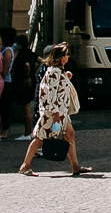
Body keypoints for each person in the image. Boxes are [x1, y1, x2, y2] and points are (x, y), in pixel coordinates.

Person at [18, 43, 88, 176]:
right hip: (54, 113)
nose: (68, 56)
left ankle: (75, 166)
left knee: (69, 135)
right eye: (66, 54)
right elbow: (51, 94)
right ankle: (25, 166)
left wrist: (65, 77)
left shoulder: (56, 71)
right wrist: (56, 114)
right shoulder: (55, 72)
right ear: (61, 57)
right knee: (40, 138)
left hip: (60, 112)